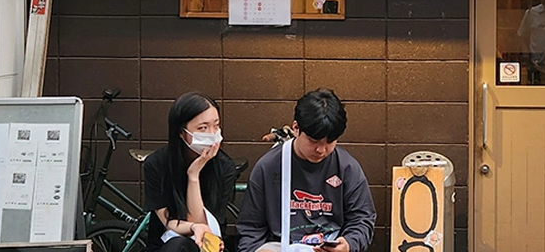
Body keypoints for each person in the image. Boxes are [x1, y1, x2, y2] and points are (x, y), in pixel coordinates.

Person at [236, 89, 376, 252]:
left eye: (330, 141)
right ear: (296, 128)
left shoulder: (347, 167)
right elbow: (249, 228)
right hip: (279, 245)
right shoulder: (269, 166)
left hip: (329, 245)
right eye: (314, 141)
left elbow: (362, 218)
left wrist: (348, 244)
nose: (321, 150)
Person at [143, 92, 238, 252]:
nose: (212, 133)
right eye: (203, 128)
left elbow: (203, 230)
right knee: (177, 246)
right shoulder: (157, 163)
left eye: (216, 125)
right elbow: (168, 221)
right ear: (181, 132)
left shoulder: (224, 167)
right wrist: (193, 226)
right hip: (166, 244)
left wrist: (194, 176)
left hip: (208, 244)